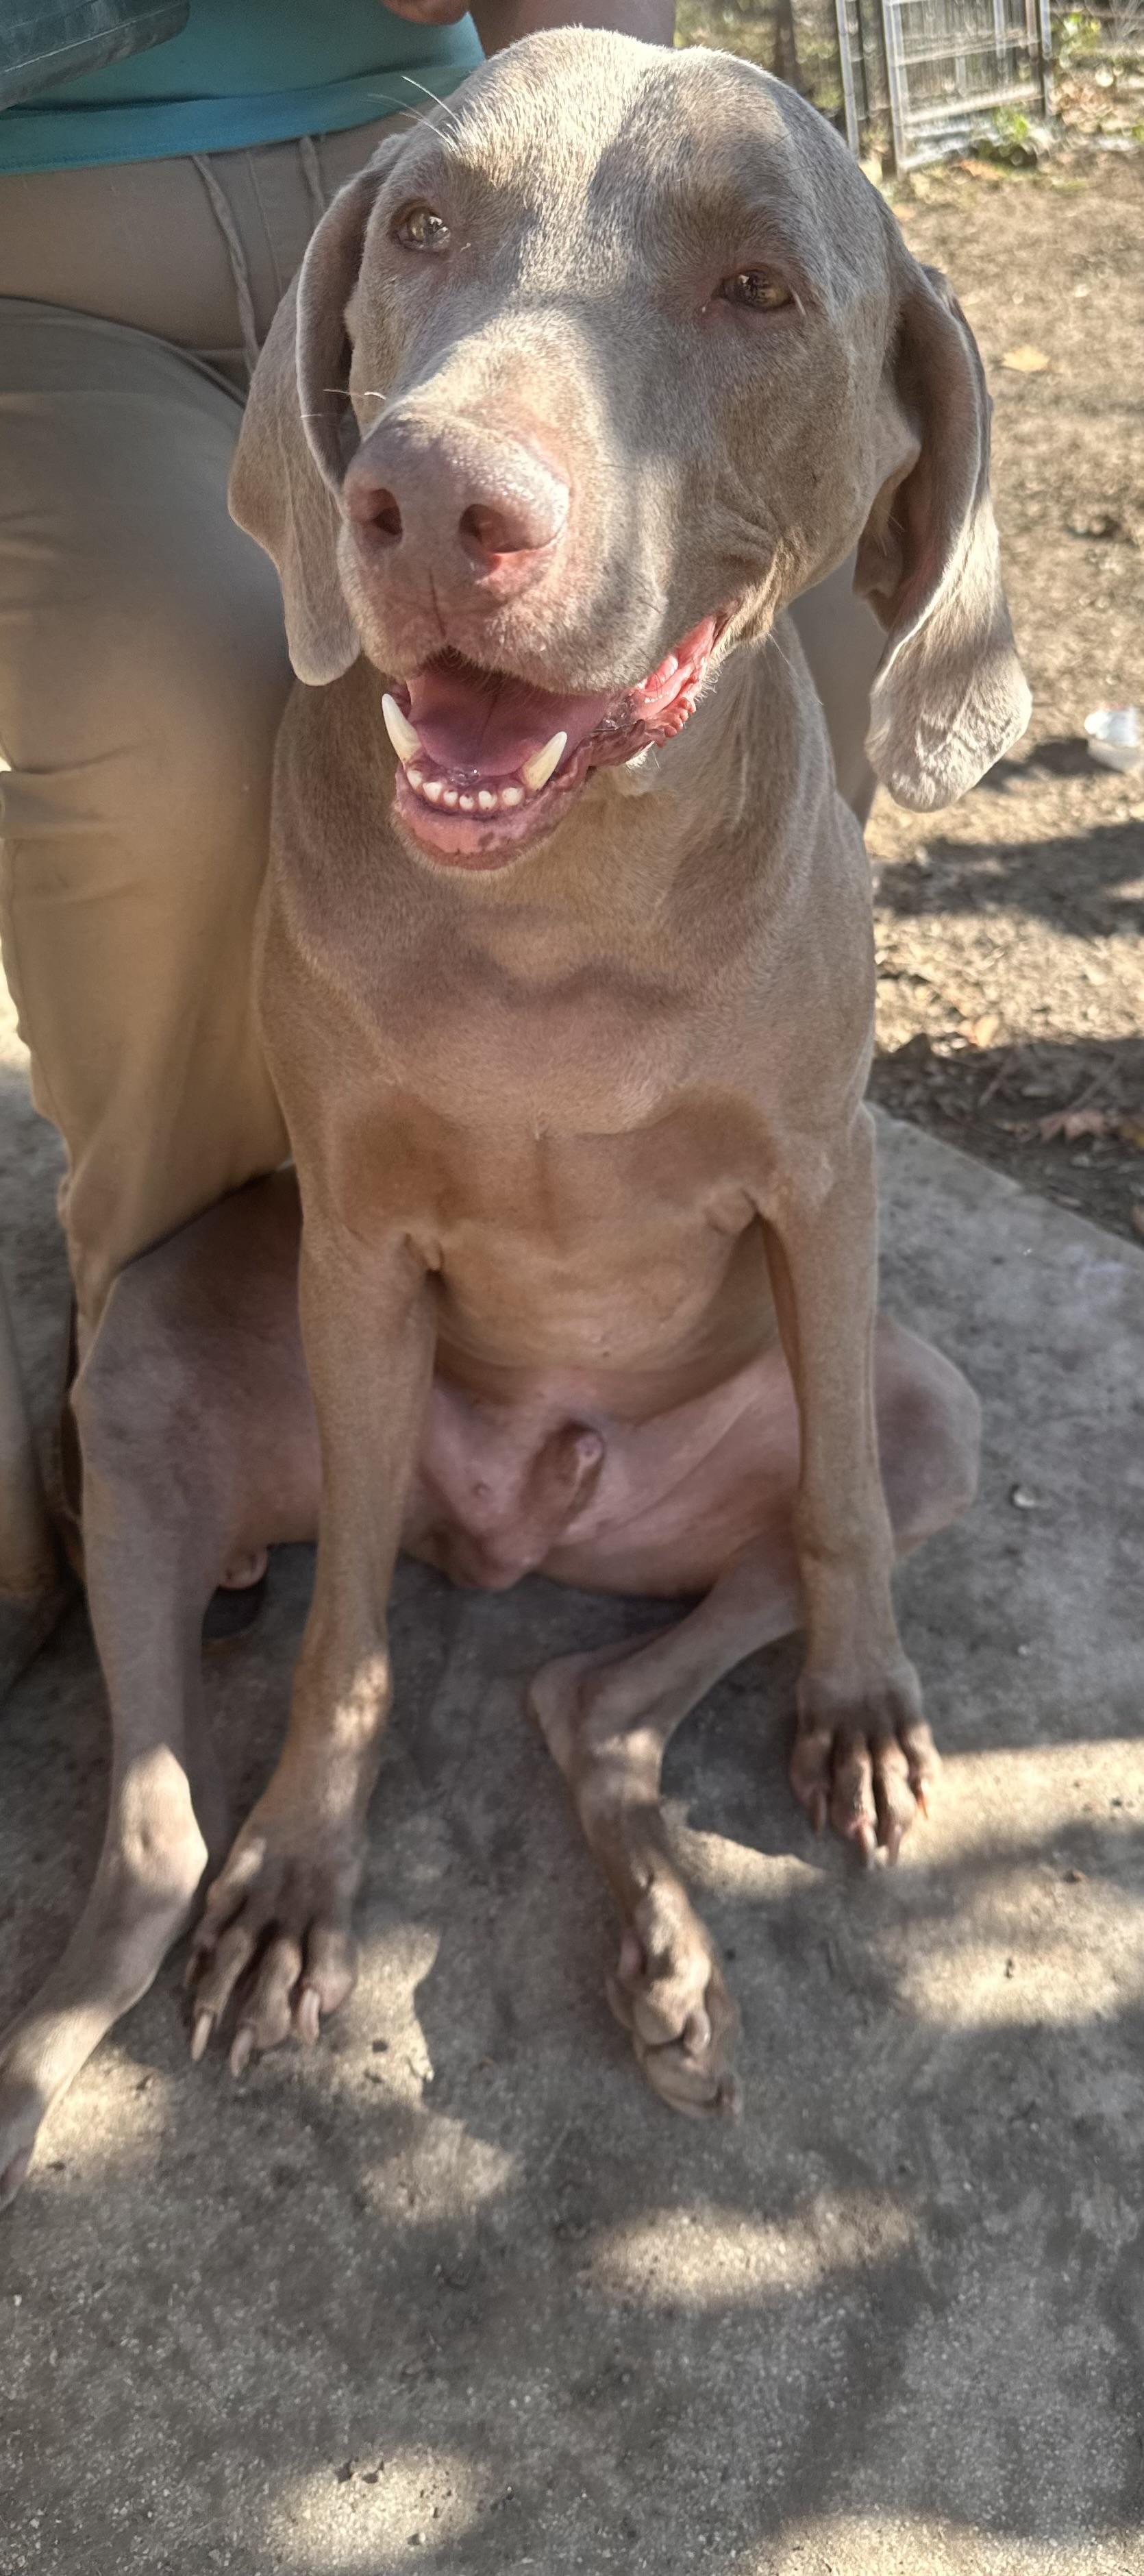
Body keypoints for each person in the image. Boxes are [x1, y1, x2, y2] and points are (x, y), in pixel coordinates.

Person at [0, 0, 882, 1601]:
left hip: (461, 175)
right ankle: (164, 1358)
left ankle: (636, 1197)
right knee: (182, 719)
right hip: (49, 244)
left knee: (820, 641)